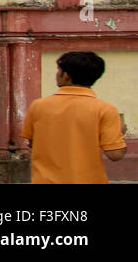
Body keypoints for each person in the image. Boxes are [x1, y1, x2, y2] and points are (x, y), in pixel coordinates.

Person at [22, 51, 126, 183]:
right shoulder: (105, 109)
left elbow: (32, 143)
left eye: (59, 70)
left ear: (66, 76)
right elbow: (115, 154)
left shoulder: (38, 106)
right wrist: (120, 132)